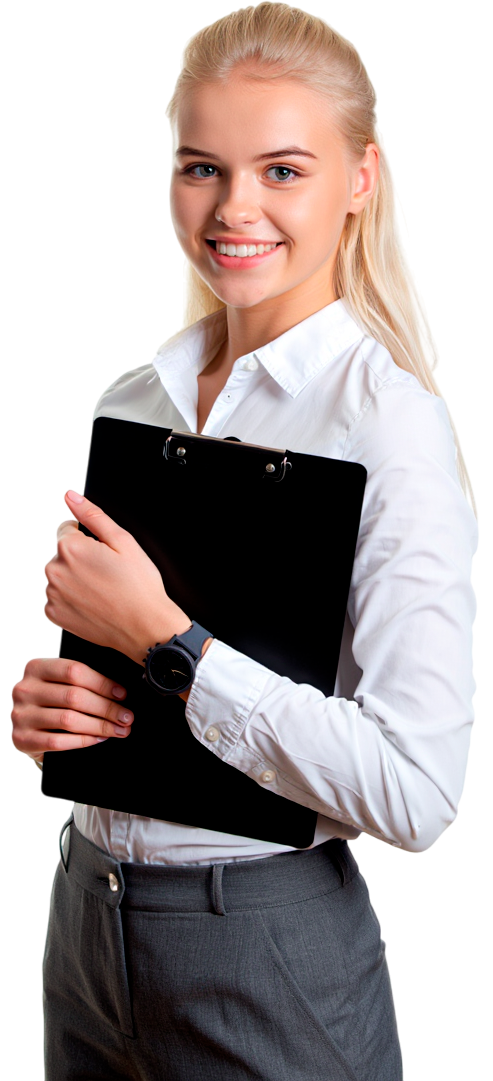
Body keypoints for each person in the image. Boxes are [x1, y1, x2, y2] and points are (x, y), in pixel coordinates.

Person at [11, 3, 478, 1078]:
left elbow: (417, 793)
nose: (233, 208)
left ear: (359, 177)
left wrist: (172, 645)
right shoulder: (131, 401)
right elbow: (90, 675)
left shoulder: (388, 425)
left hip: (264, 943)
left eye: (282, 170)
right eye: (201, 168)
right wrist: (42, 714)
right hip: (83, 918)